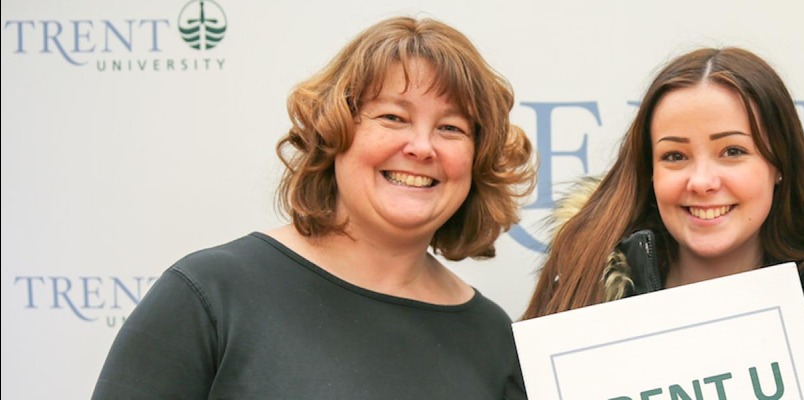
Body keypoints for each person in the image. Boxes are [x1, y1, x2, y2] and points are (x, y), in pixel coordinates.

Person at [92, 16, 535, 399]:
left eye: (450, 128)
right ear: (335, 132)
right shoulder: (211, 295)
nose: (421, 147)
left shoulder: (493, 340)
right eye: (392, 118)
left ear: (476, 160)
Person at [521, 47, 804, 400]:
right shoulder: (579, 299)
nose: (701, 181)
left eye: (732, 151)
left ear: (778, 164)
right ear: (650, 172)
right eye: (675, 156)